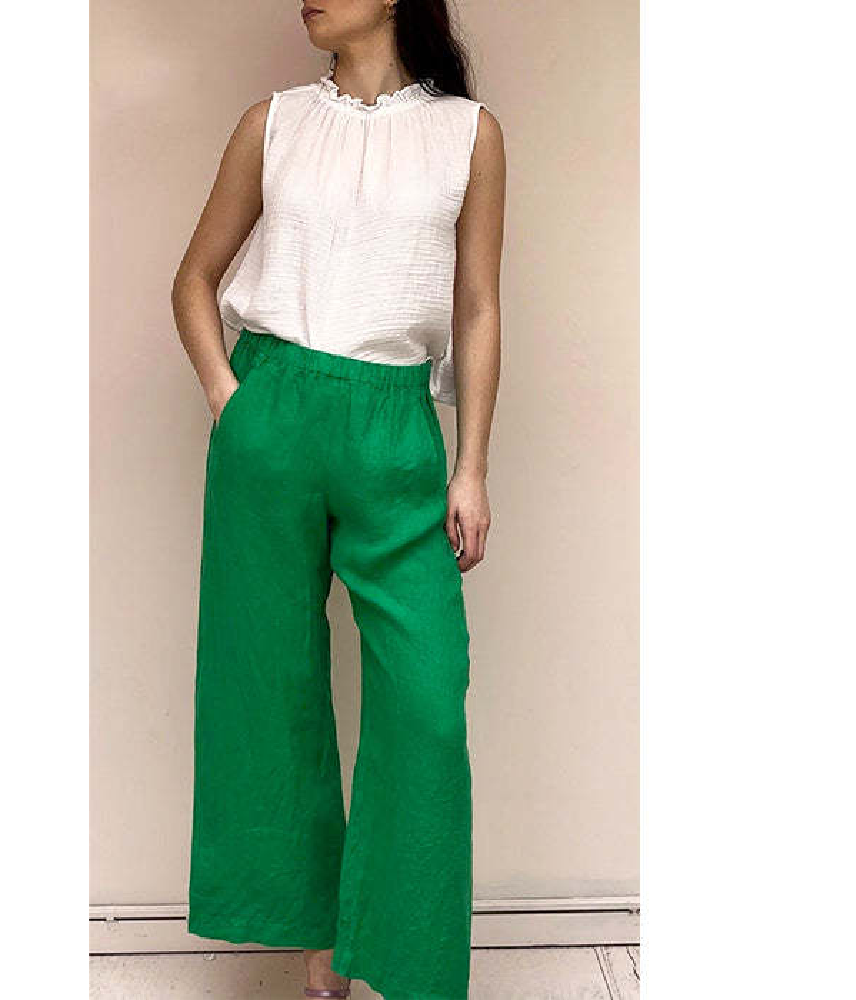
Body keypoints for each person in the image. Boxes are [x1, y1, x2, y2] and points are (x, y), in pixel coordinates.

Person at [171, 2, 504, 996]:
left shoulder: (468, 134)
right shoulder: (270, 122)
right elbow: (193, 279)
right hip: (272, 410)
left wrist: (471, 464)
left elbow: (478, 306)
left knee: (426, 699)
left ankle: (400, 957)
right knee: (265, 686)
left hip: (394, 425)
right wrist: (231, 402)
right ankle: (318, 950)